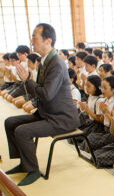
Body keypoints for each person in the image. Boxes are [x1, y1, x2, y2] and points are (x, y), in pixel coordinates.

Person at [5, 23, 80, 186]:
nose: (32, 41)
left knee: (22, 131)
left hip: (61, 118)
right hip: (47, 113)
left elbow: (46, 93)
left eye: (34, 37)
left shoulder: (57, 63)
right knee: (10, 122)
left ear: (48, 40)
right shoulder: (45, 61)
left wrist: (27, 80)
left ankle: (33, 170)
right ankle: (24, 163)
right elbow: (40, 92)